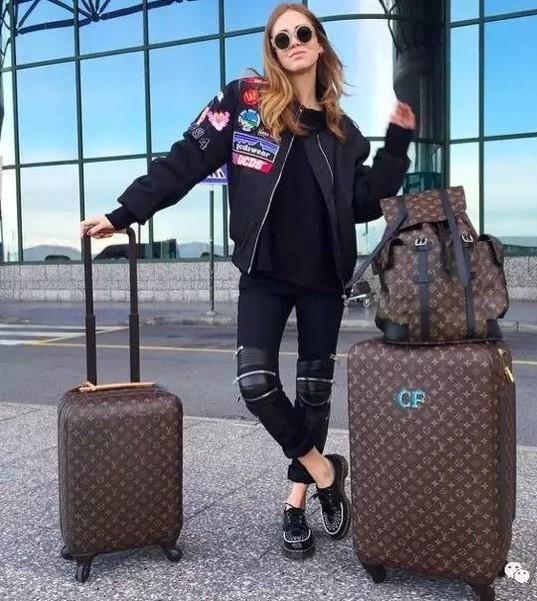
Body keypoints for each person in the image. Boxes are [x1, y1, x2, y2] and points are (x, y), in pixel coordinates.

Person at [79, 2, 415, 559]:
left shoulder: (342, 131)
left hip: (323, 280)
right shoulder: (246, 102)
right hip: (264, 273)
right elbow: (184, 161)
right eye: (282, 39)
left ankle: (295, 503)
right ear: (273, 51)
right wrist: (124, 213)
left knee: (313, 395)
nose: (293, 43)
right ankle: (325, 471)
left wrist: (397, 144)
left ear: (320, 43)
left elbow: (364, 201)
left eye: (302, 33)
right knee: (256, 384)